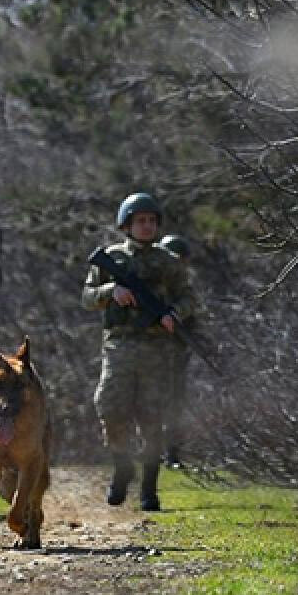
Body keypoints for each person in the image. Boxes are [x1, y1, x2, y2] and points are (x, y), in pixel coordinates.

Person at [81, 193, 198, 511]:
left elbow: (188, 297)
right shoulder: (112, 258)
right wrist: (111, 292)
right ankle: (122, 466)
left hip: (157, 348)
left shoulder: (168, 262)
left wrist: (174, 314)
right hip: (119, 345)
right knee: (110, 407)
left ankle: (149, 487)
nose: (146, 226)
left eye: (151, 221)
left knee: (152, 417)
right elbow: (87, 296)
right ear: (127, 224)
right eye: (139, 221)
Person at [157, 234, 193, 469]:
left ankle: (172, 453)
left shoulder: (184, 290)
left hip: (176, 352)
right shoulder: (154, 286)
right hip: (150, 352)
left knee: (175, 403)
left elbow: (193, 316)